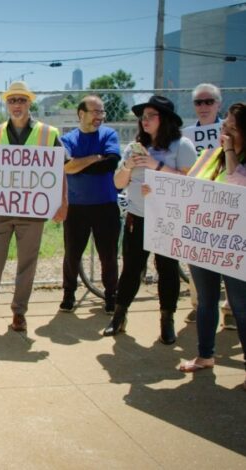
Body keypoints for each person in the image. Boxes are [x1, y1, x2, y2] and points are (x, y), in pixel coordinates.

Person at [0, 81, 67, 335]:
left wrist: (63, 201)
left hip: (32, 212)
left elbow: (60, 170)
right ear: (7, 104)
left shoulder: (48, 133)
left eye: (21, 100)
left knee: (27, 263)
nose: (17, 105)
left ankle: (19, 313)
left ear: (29, 103)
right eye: (12, 100)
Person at [103, 95, 197, 344]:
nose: (144, 121)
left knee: (167, 270)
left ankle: (167, 321)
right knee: (131, 270)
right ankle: (119, 317)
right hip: (138, 216)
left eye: (150, 116)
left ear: (164, 119)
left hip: (167, 219)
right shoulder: (134, 147)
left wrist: (156, 168)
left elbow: (191, 183)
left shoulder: (181, 145)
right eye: (142, 117)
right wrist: (127, 167)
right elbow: (117, 183)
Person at [178, 102, 246, 391]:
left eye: (231, 128)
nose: (225, 131)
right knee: (206, 301)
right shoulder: (210, 157)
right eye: (224, 126)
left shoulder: (231, 157)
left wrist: (230, 152)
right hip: (206, 242)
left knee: (241, 307)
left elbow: (236, 188)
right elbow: (189, 188)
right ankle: (205, 355)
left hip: (236, 247)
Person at [59, 95, 121, 314]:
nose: (99, 116)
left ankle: (111, 296)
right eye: (95, 111)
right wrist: (96, 156)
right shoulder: (67, 139)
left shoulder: (109, 134)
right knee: (72, 254)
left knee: (108, 255)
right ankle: (68, 295)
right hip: (76, 207)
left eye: (102, 112)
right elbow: (65, 167)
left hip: (106, 205)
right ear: (81, 114)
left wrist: (79, 163)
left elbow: (111, 163)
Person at [183, 84, 235, 329]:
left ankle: (230, 308)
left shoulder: (233, 131)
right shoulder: (186, 135)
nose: (203, 106)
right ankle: (199, 305)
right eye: (198, 102)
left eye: (209, 101)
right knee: (199, 258)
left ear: (219, 104)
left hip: (230, 206)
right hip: (199, 205)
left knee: (231, 259)